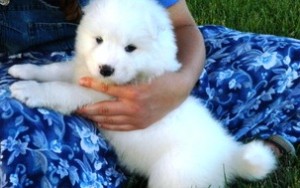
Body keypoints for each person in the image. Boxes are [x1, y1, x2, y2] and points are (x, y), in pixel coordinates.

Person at [0, 0, 298, 187]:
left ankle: (236, 153)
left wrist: (178, 85)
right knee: (14, 134)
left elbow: (179, 24)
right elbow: (74, 86)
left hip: (155, 72)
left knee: (291, 61)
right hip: (25, 78)